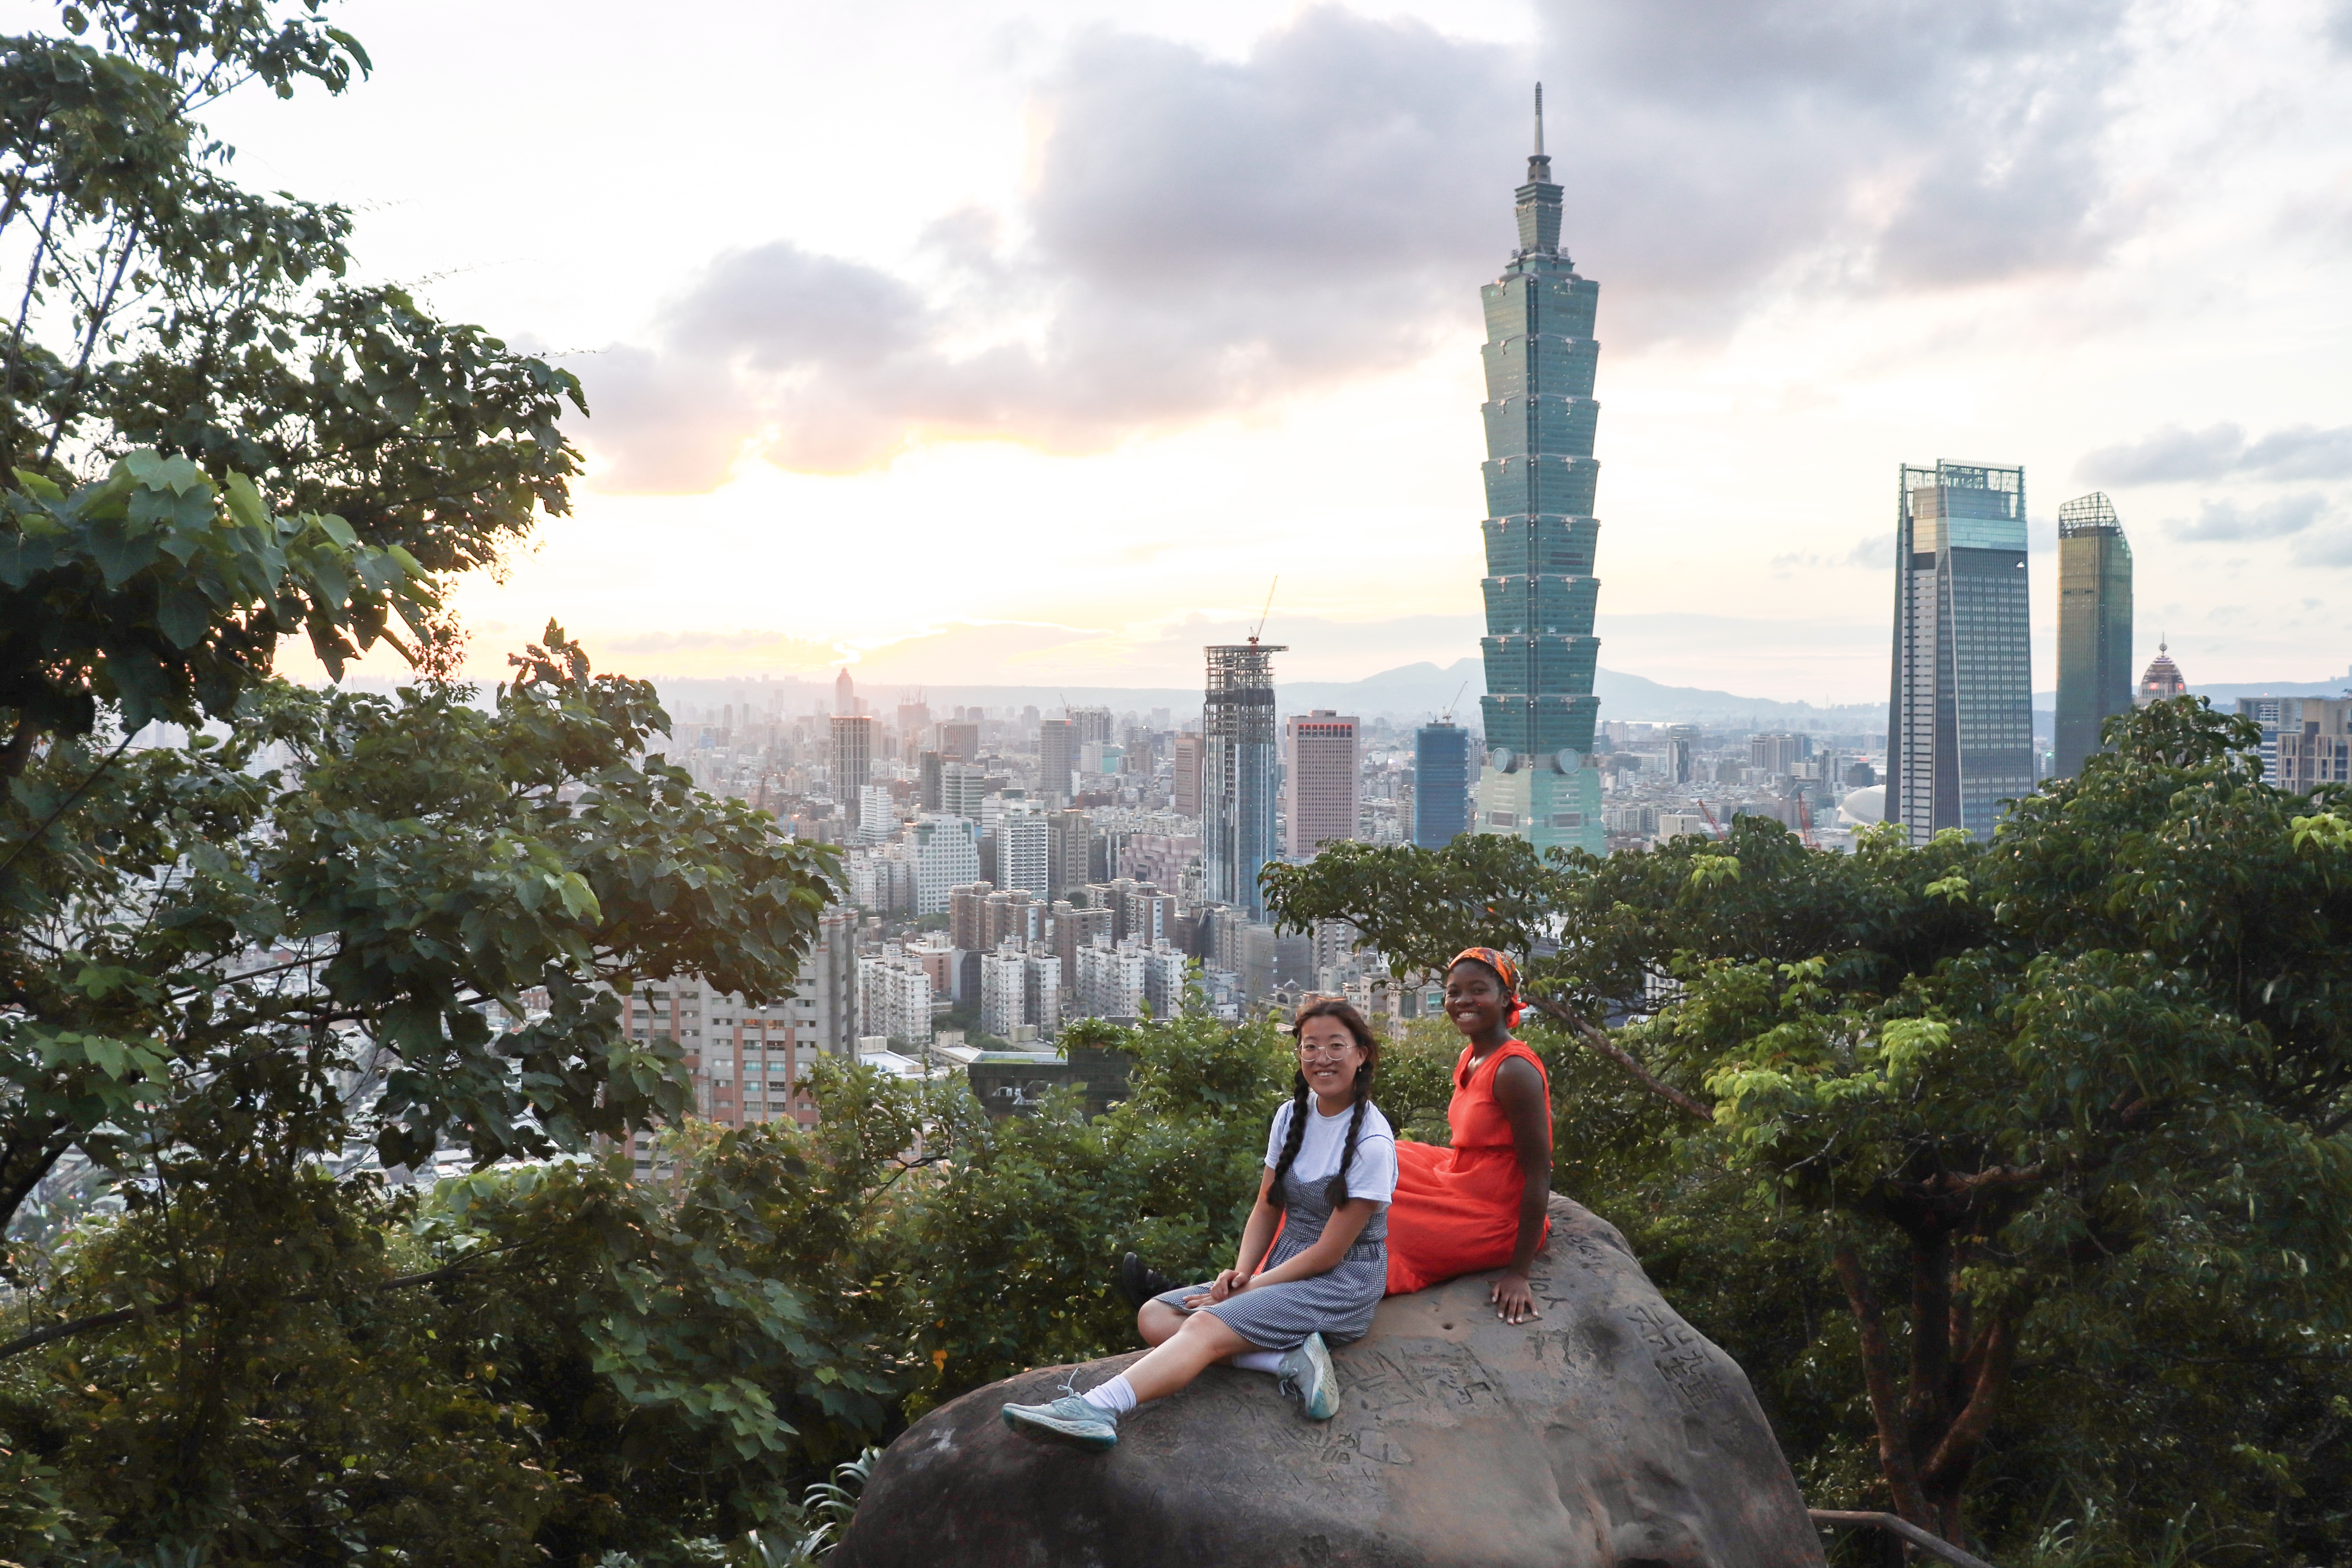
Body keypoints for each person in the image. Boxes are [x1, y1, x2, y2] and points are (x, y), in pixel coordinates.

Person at [1001, 1000, 1398, 1451]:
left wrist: (1251, 1290)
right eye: (1310, 1046)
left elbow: (1328, 1253)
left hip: (1339, 1281)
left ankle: (1096, 1408)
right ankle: (1283, 1360)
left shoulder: (1372, 1143)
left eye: (1335, 1046)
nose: (1321, 1058)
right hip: (1287, 1266)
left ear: (1361, 1053)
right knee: (1154, 1314)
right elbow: (1267, 1206)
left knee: (1204, 1326)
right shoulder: (1292, 1114)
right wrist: (1241, 1272)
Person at [1382, 947, 1553, 1324]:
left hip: (1493, 1213)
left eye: (1477, 990)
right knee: (1370, 1156)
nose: (1463, 1001)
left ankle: (1305, 1296)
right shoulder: (1472, 1055)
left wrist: (1518, 1273)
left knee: (1375, 1213)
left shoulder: (1514, 1071)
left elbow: (1539, 1172)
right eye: (1453, 992)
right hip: (1461, 1175)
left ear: (1506, 998)